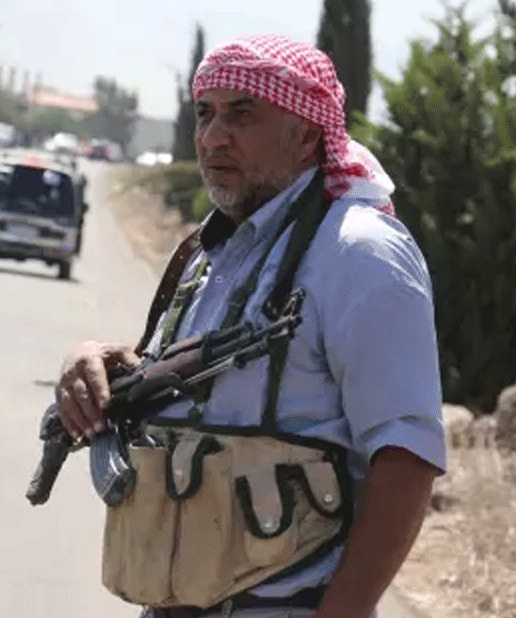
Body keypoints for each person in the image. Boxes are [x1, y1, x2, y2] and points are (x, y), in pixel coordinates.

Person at [53, 34, 448, 618]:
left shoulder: (358, 253)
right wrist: (97, 361)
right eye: (205, 114)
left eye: (243, 114)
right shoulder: (212, 252)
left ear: (308, 133)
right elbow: (201, 390)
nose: (214, 137)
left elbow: (407, 458)